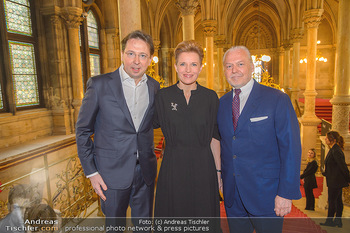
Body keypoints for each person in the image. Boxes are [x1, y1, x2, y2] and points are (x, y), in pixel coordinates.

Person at [76, 30, 160, 230]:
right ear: (122, 54)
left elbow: (152, 124)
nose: (136, 61)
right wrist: (91, 172)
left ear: (150, 60)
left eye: (142, 55)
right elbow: (82, 131)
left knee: (144, 228)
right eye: (131, 53)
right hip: (110, 176)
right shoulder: (99, 85)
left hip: (145, 173)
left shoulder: (154, 87)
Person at [217, 45, 302, 233]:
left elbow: (291, 148)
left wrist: (285, 193)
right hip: (233, 197)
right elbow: (224, 143)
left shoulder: (277, 99)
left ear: (252, 66)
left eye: (240, 64)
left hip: (267, 196)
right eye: (229, 66)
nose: (234, 70)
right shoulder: (222, 104)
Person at [153, 40, 221, 221]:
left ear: (200, 67)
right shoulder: (163, 96)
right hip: (173, 169)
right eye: (183, 64)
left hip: (204, 169)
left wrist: (218, 173)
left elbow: (215, 138)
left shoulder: (210, 97)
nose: (188, 70)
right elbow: (143, 126)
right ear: (175, 66)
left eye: (193, 64)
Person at [320, 131, 350, 227]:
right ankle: (338, 221)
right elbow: (334, 166)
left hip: (335, 181)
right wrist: (326, 172)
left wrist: (348, 178)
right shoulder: (333, 149)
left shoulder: (336, 150)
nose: (325, 139)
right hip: (334, 179)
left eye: (327, 138)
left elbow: (342, 166)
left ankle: (330, 221)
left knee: (332, 201)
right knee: (337, 201)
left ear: (333, 140)